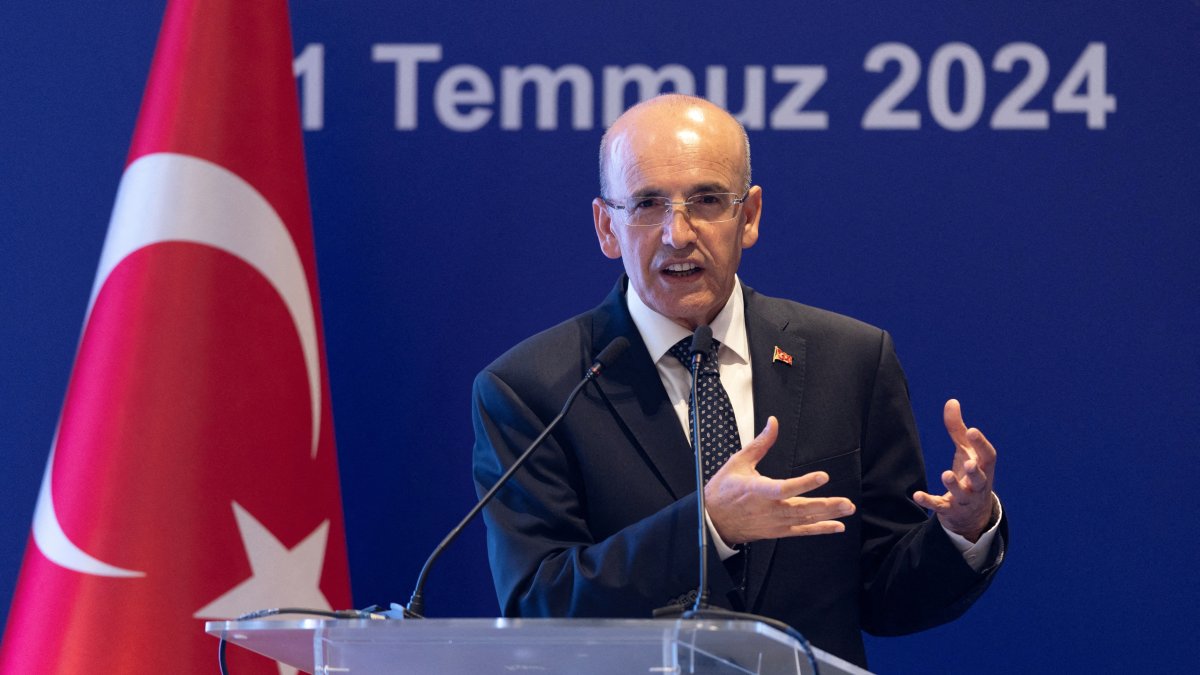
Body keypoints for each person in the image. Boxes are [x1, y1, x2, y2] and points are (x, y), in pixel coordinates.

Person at [471, 94, 1006, 668]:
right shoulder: (532, 389)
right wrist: (708, 527)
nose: (678, 234)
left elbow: (887, 594)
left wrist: (964, 529)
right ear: (607, 227)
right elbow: (537, 606)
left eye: (706, 200)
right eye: (648, 203)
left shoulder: (849, 360)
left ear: (748, 217)